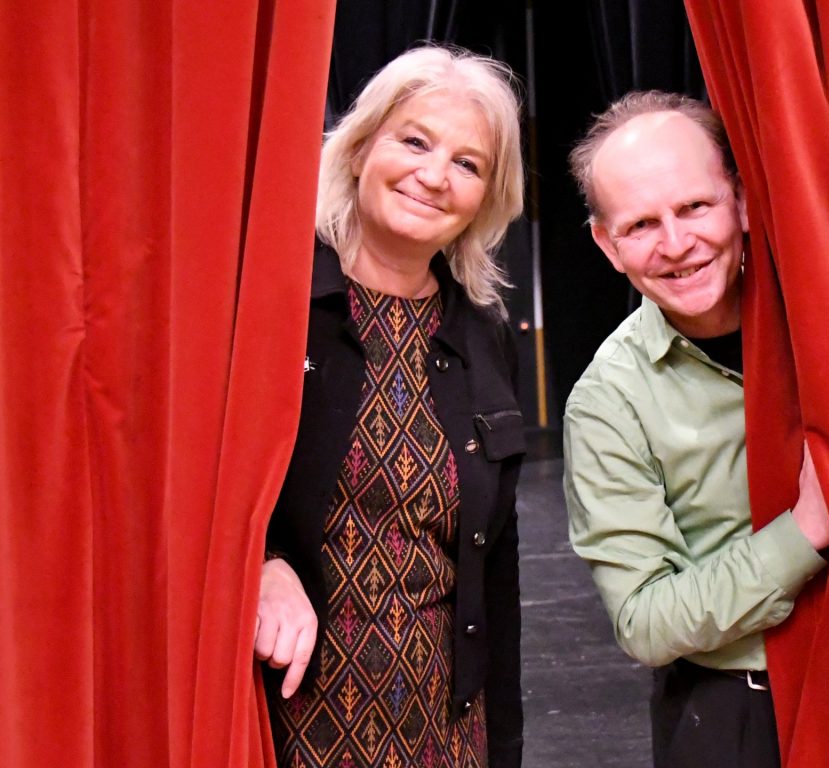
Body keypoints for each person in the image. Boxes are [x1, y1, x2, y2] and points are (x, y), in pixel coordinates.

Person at [254, 45, 527, 768]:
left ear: (487, 197)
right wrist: (259, 562)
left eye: (468, 164)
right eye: (414, 140)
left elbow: (496, 574)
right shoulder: (268, 305)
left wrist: (504, 753)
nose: (435, 176)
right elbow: (181, 487)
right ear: (359, 145)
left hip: (445, 740)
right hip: (284, 730)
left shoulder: (484, 337)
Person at [562, 91, 829, 768]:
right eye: (641, 225)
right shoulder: (608, 400)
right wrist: (803, 535)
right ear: (606, 244)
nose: (677, 244)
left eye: (694, 207)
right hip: (734, 716)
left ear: (741, 201)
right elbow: (647, 622)